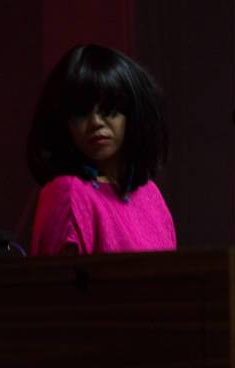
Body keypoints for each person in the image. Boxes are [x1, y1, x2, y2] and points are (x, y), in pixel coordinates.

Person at [27, 44, 176, 255]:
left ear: (133, 116)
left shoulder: (151, 195)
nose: (96, 122)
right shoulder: (68, 193)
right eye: (81, 112)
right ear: (63, 121)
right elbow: (56, 284)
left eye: (109, 110)